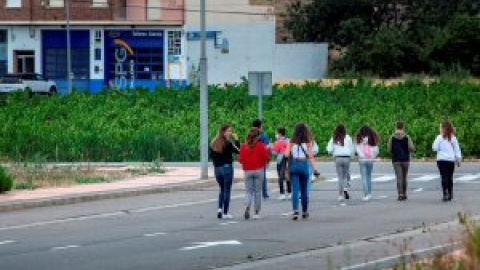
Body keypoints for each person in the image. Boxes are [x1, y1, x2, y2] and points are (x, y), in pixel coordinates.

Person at [284, 123, 321, 220]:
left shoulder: (291, 142)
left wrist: (290, 149)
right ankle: (304, 211)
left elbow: (286, 154)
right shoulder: (308, 143)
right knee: (304, 190)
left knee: (295, 189)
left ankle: (295, 211)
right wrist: (315, 170)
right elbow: (311, 157)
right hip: (304, 165)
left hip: (294, 165)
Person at [238, 127, 270, 220]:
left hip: (247, 170)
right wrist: (266, 162)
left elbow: (240, 160)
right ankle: (256, 212)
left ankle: (247, 206)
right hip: (259, 170)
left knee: (248, 191)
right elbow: (266, 157)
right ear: (258, 136)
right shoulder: (260, 146)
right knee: (257, 192)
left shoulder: (243, 146)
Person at [210, 124, 240, 219]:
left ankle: (219, 209)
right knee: (227, 189)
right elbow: (239, 151)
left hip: (217, 168)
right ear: (224, 132)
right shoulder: (228, 143)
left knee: (222, 188)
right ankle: (226, 213)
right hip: (227, 167)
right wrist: (236, 140)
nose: (230, 133)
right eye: (229, 131)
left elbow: (211, 156)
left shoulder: (213, 142)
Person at [433, 120, 462, 202]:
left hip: (441, 160)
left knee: (444, 176)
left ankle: (445, 193)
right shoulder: (453, 138)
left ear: (443, 128)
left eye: (440, 127)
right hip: (450, 160)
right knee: (450, 177)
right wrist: (458, 159)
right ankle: (450, 193)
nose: (439, 129)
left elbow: (434, 148)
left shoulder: (439, 138)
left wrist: (439, 146)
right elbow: (457, 149)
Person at [327, 124, 355, 202]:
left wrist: (332, 152)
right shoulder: (348, 137)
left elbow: (329, 149)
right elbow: (352, 148)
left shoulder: (334, 138)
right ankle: (345, 188)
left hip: (338, 158)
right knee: (345, 175)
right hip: (346, 158)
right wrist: (352, 156)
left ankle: (340, 195)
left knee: (340, 177)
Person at [388, 120, 415, 201]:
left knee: (399, 177)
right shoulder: (407, 137)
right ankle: (405, 193)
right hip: (405, 159)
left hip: (396, 160)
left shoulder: (392, 137)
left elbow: (389, 149)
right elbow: (411, 148)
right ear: (403, 127)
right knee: (404, 177)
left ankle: (400, 194)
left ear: (396, 126)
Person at [355, 125, 380, 202]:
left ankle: (366, 195)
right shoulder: (372, 138)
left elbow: (356, 149)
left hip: (362, 160)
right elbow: (376, 149)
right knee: (369, 177)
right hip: (370, 159)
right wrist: (374, 156)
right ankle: (369, 193)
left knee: (364, 177)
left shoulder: (359, 138)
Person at [252, 119, 270, 199]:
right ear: (260, 126)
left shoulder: (250, 134)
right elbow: (266, 148)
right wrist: (268, 160)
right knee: (262, 176)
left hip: (251, 158)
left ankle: (252, 193)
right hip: (261, 159)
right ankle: (264, 193)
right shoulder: (263, 135)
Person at [271, 127, 290, 200]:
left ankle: (282, 193)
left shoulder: (278, 142)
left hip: (280, 160)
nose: (276, 134)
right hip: (288, 159)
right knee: (287, 175)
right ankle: (290, 192)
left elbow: (275, 152)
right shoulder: (288, 140)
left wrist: (271, 147)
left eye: (276, 133)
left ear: (280, 133)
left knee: (280, 177)